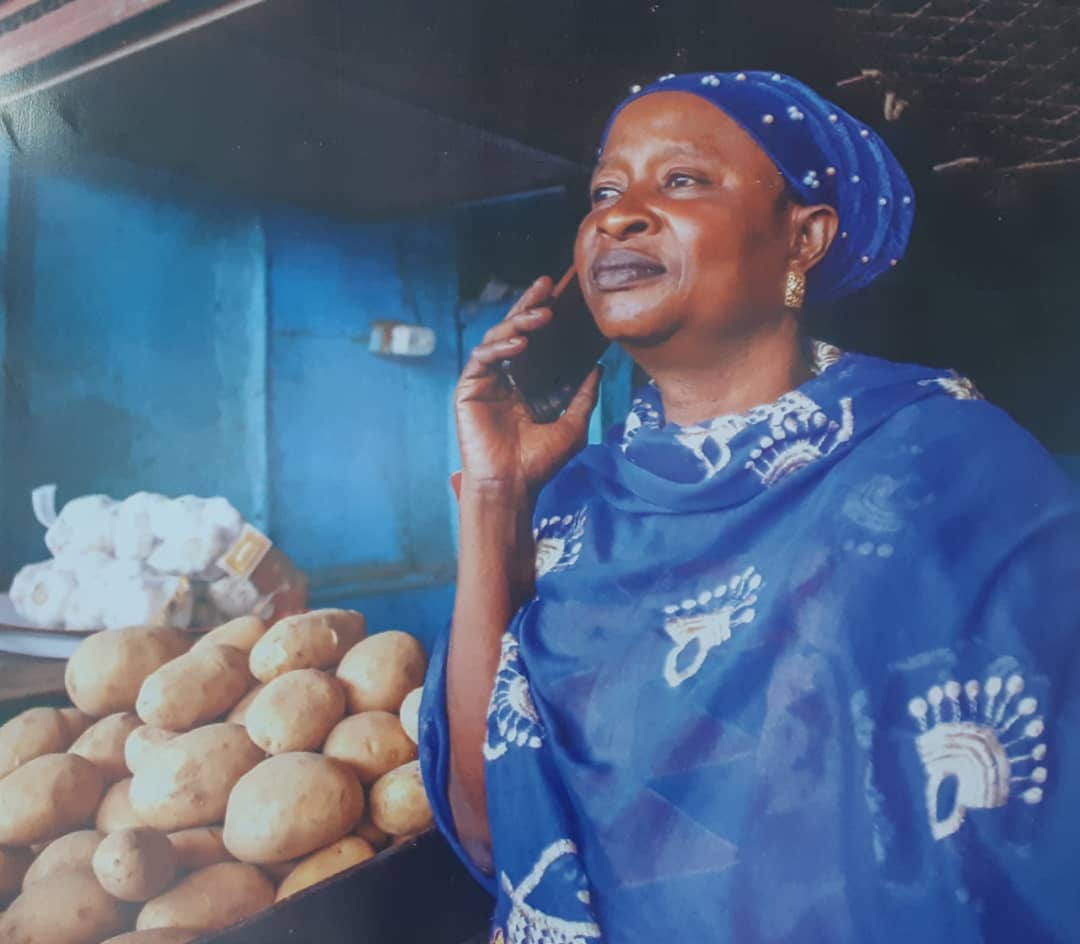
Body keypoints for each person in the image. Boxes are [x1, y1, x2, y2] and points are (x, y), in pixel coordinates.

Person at [419, 71, 1080, 943]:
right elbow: (490, 829)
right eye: (605, 191)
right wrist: (497, 499)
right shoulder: (578, 508)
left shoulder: (949, 464)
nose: (618, 215)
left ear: (803, 238)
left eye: (681, 179)